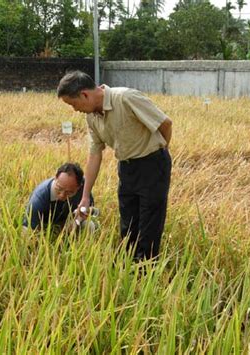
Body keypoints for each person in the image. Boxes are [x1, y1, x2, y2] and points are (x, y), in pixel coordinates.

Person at [57, 71, 172, 261]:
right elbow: (94, 155)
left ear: (84, 95)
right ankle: (129, 268)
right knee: (128, 223)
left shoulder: (126, 98)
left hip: (152, 165)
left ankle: (146, 273)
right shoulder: (91, 117)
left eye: (73, 104)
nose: (74, 110)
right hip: (126, 168)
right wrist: (85, 196)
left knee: (149, 225)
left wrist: (161, 153)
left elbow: (165, 124)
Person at [23, 162, 94, 232]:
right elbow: (29, 227)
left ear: (79, 186)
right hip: (44, 225)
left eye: (69, 192)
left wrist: (77, 220)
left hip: (69, 221)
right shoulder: (39, 198)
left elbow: (89, 208)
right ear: (55, 178)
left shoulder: (84, 188)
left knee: (90, 226)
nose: (62, 195)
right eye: (59, 189)